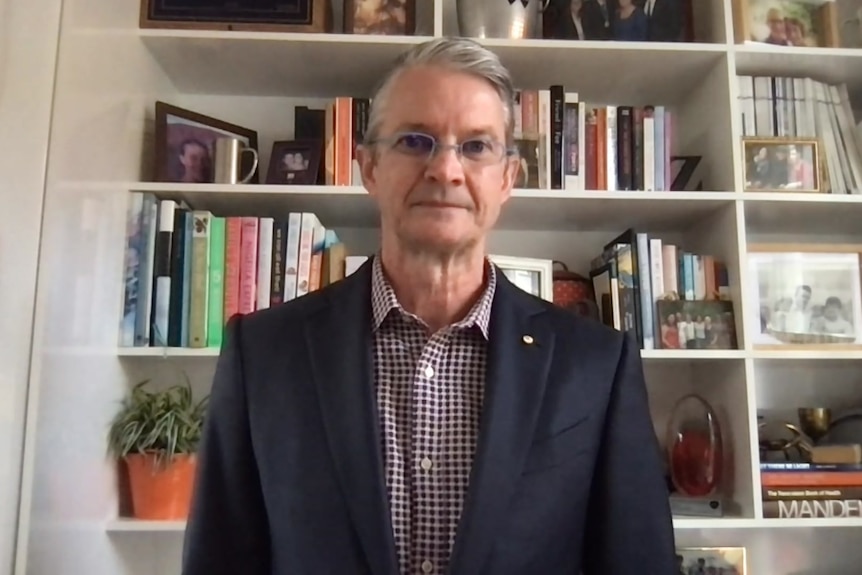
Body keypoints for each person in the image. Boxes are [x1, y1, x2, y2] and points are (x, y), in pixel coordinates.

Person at [181, 36, 676, 575]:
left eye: (477, 146)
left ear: (508, 178)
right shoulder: (264, 355)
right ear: (369, 168)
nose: (446, 169)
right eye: (416, 142)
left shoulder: (596, 364)